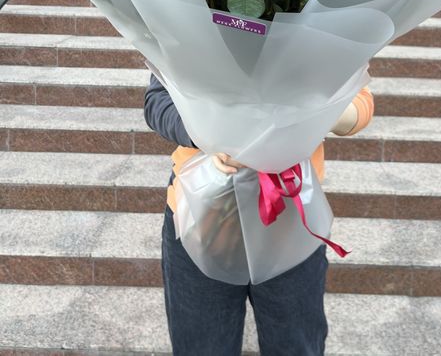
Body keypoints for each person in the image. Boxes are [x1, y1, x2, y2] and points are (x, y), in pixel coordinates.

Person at [144, 74, 374, 356]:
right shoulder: (186, 42)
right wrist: (209, 138)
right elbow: (158, 101)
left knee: (295, 346)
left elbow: (361, 105)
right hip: (201, 216)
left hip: (290, 220)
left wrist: (309, 113)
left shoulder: (322, 45)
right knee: (202, 346)